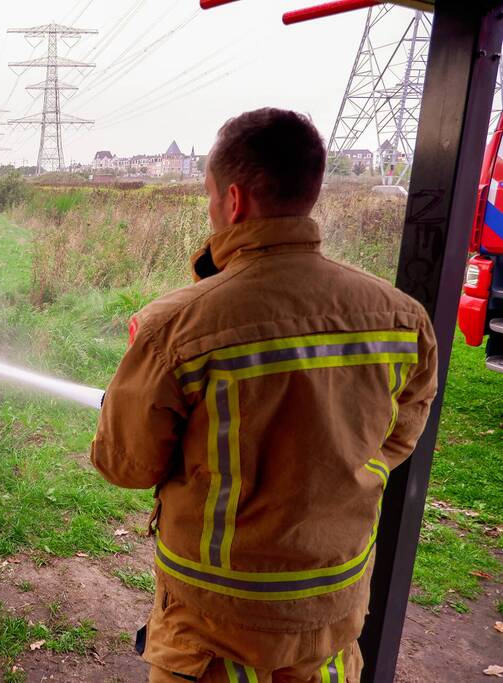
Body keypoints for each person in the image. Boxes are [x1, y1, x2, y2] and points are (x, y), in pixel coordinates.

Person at [90, 108, 437, 683]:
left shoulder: (177, 325)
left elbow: (126, 464)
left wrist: (118, 408)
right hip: (332, 610)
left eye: (207, 196)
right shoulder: (402, 318)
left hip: (212, 624)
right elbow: (399, 433)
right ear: (311, 188)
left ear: (233, 200)